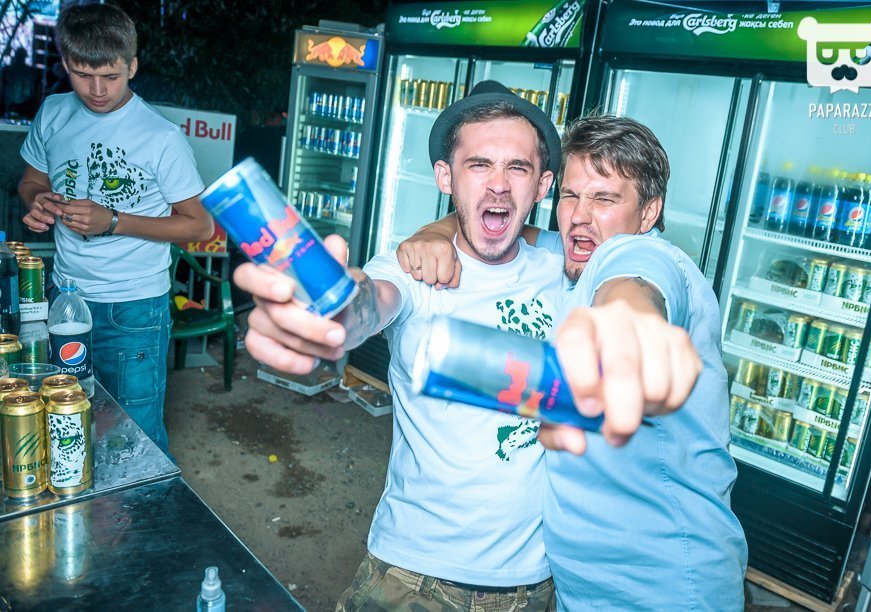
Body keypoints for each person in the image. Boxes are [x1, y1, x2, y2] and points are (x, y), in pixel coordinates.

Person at [234, 83, 698, 610]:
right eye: (478, 165)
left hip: (538, 585)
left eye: (518, 168)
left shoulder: (567, 260)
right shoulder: (412, 270)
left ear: (542, 185)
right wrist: (331, 314)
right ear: (445, 176)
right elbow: (370, 302)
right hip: (414, 580)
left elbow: (634, 271)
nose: (498, 185)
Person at [398, 115, 749, 610]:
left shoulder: (645, 258)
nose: (580, 216)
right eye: (569, 195)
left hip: (666, 589)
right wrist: (436, 230)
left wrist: (624, 331)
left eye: (604, 199)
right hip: (578, 587)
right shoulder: (571, 261)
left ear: (649, 212)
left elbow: (635, 287)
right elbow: (499, 224)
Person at [18, 4, 213, 454]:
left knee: (135, 439)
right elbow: (30, 180)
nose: (97, 90)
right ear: (66, 64)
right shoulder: (54, 112)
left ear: (132, 66)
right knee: (68, 422)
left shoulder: (161, 137)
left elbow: (200, 225)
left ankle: (149, 503)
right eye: (83, 75)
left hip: (133, 309)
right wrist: (37, 201)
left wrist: (114, 221)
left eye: (110, 76)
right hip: (65, 297)